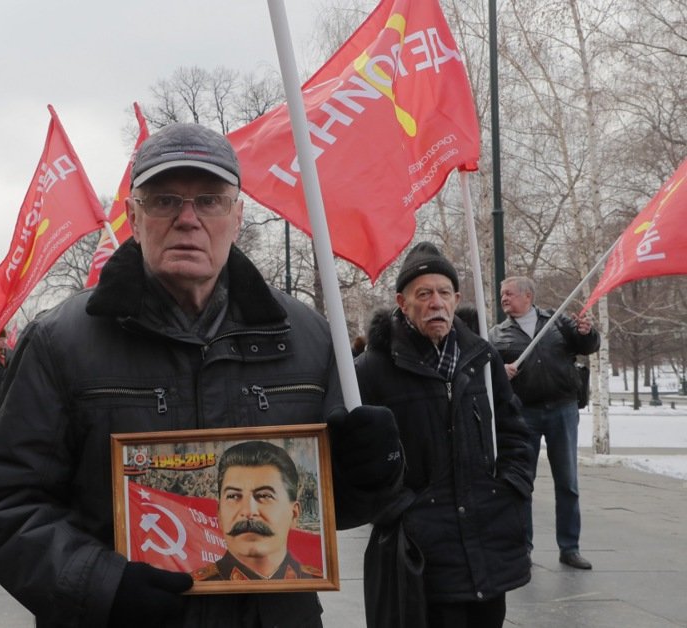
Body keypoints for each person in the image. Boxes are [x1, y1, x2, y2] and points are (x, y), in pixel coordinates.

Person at [0, 122, 403, 628]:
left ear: (237, 217)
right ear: (133, 216)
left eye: (210, 201)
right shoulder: (60, 342)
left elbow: (326, 510)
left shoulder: (306, 336)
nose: (188, 219)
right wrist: (103, 585)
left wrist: (373, 472)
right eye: (164, 200)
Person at [355, 242, 534, 628]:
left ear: (456, 299)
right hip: (422, 553)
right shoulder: (371, 370)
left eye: (443, 293)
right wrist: (397, 511)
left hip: (486, 543)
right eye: (424, 294)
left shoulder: (482, 360)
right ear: (403, 303)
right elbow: (356, 460)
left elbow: (515, 431)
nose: (436, 303)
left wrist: (513, 486)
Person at [489, 276, 601, 570]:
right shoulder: (497, 335)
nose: (503, 298)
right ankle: (522, 548)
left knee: (567, 482)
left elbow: (587, 346)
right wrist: (501, 372)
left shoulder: (557, 321)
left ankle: (570, 547)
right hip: (523, 414)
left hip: (562, 410)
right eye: (502, 294)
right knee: (522, 482)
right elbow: (484, 372)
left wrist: (587, 333)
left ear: (528, 296)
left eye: (509, 293)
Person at [192, 440, 321, 581]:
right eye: (234, 496)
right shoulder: (196, 587)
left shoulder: (316, 580)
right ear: (219, 515)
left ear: (294, 514)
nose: (248, 511)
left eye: (265, 495)